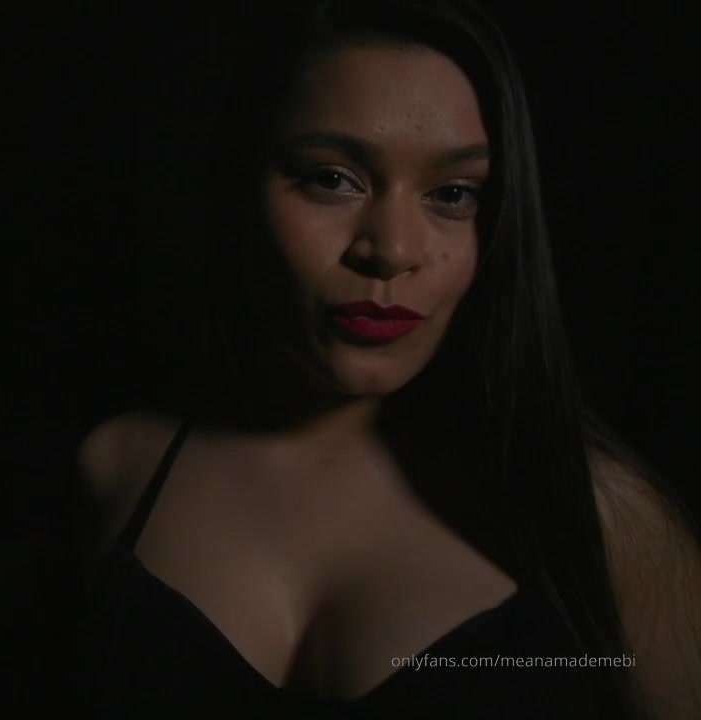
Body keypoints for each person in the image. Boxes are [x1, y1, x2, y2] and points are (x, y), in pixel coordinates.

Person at [74, 1, 701, 717]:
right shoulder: (117, 468)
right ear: (239, 187)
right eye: (332, 178)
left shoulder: (605, 520)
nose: (393, 249)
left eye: (453, 194)